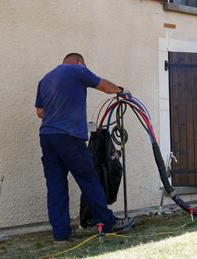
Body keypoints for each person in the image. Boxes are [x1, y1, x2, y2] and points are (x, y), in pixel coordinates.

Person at [35, 53, 134, 242]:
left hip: (47, 136)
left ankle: (61, 234)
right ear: (80, 62)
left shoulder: (45, 79)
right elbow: (103, 85)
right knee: (89, 178)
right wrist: (121, 90)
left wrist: (58, 109)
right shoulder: (77, 70)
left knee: (56, 185)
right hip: (69, 137)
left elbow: (40, 112)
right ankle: (107, 222)